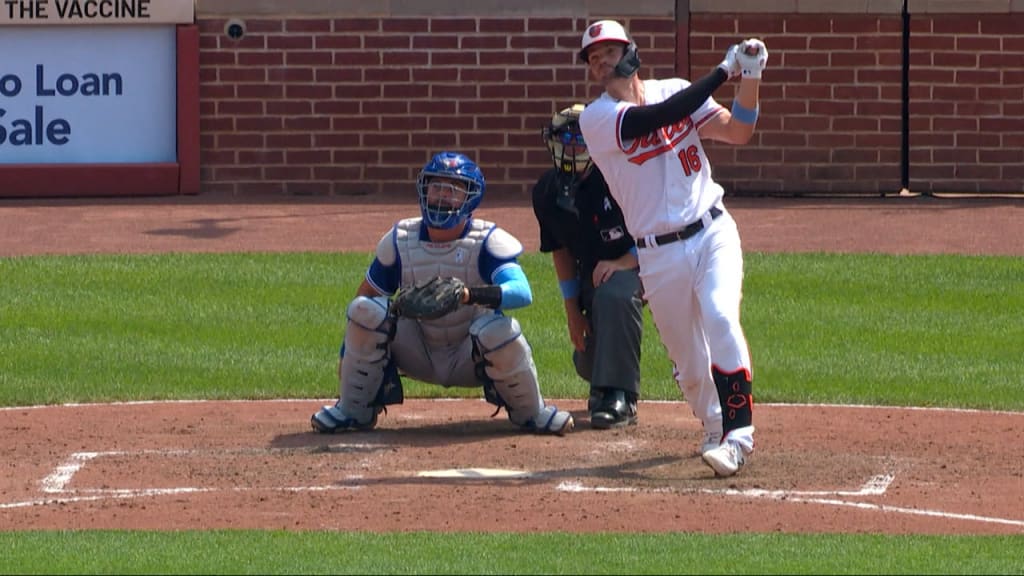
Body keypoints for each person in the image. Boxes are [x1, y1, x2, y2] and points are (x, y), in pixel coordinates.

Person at [576, 20, 767, 477]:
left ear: (630, 50)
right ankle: (715, 424)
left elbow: (738, 130)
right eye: (592, 57)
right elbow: (654, 120)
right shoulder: (597, 119)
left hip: (711, 230)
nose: (601, 60)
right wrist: (725, 70)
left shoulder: (675, 88)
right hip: (656, 254)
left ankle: (738, 436)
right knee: (691, 365)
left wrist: (753, 76)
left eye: (608, 50)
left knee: (721, 315)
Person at [311, 151, 574, 436]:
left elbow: (521, 293)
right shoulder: (400, 239)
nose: (441, 197)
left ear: (469, 198)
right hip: (417, 350)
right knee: (364, 310)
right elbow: (364, 298)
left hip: (469, 356)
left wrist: (467, 295)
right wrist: (344, 353)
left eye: (452, 190)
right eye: (436, 188)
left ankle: (532, 413)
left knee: (501, 329)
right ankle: (353, 410)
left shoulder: (487, 241)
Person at [531, 103, 643, 429]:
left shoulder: (624, 178)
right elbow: (561, 250)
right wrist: (572, 313)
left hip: (651, 256)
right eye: (565, 139)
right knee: (588, 362)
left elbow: (660, 228)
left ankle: (619, 395)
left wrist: (625, 260)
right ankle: (601, 384)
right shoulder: (546, 191)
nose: (572, 148)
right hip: (594, 270)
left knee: (616, 292)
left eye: (580, 140)